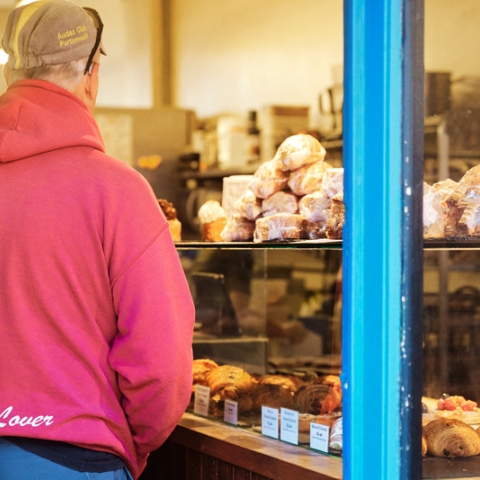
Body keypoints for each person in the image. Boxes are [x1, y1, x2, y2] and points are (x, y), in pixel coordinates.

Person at [0, 1, 195, 479]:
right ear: (92, 74)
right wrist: (130, 443)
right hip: (71, 458)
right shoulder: (117, 190)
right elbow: (160, 363)